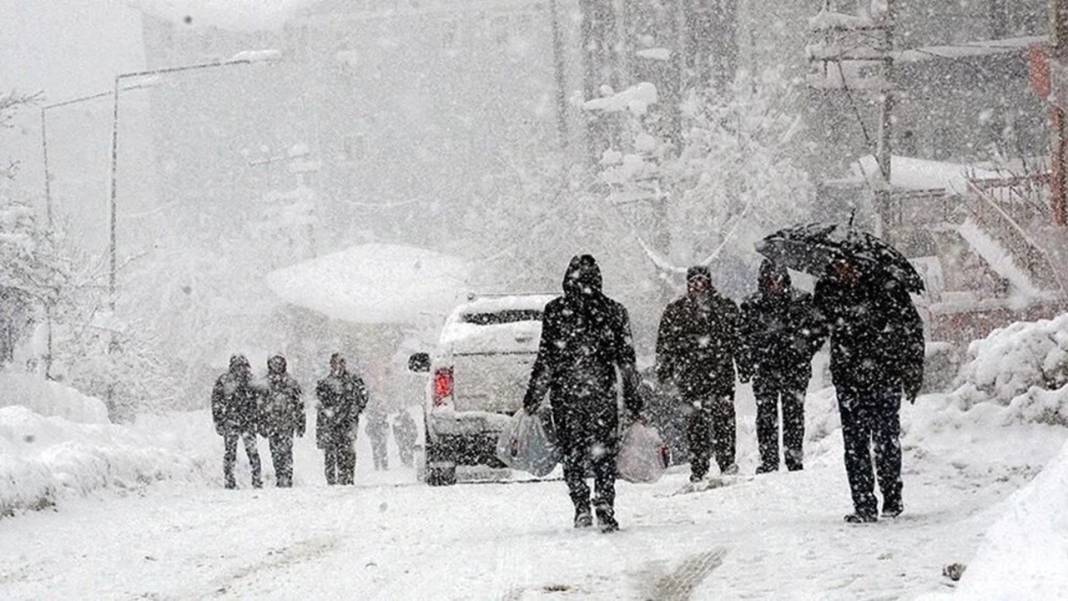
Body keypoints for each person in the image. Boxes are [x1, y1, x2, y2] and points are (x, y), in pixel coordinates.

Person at [523, 254, 642, 532]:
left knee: (572, 452)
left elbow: (546, 359)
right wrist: (635, 401)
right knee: (604, 454)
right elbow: (626, 361)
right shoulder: (614, 311)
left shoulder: (555, 311)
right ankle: (604, 503)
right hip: (602, 393)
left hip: (567, 395)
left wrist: (533, 397)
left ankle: (580, 506)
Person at [814, 256, 924, 523]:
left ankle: (892, 498)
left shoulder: (885, 286)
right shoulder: (828, 290)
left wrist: (912, 369)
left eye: (849, 266)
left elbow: (910, 327)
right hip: (849, 378)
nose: (845, 271)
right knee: (855, 444)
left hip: (884, 375)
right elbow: (816, 328)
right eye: (839, 266)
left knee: (885, 439)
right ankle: (863, 503)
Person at [656, 265, 747, 483]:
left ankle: (727, 462)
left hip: (720, 372)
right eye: (694, 281)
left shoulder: (725, 307)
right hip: (690, 375)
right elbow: (665, 343)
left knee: (723, 418)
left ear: (709, 282)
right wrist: (664, 370)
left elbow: (739, 339)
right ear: (688, 283)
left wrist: (744, 365)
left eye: (701, 280)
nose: (698, 285)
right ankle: (699, 467)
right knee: (695, 422)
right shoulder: (676, 310)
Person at [741, 260, 824, 474]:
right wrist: (753, 356)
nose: (774, 284)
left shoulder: (802, 301)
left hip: (794, 368)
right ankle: (769, 460)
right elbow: (742, 336)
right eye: (770, 279)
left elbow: (819, 331)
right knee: (766, 415)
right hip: (765, 368)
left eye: (778, 279)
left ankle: (793, 458)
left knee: (793, 414)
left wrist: (804, 350)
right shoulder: (751, 305)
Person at [315, 353, 369, 485]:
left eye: (341, 363)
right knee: (330, 452)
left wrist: (356, 409)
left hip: (348, 422)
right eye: (335, 363)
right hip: (331, 423)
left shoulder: (354, 380)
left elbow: (363, 395)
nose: (338, 366)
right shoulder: (325, 383)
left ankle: (347, 478)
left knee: (347, 451)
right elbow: (321, 403)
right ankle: (332, 480)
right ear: (331, 365)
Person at [211, 354, 262, 489]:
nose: (240, 368)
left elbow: (259, 402)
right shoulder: (225, 380)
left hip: (246, 421)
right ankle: (230, 480)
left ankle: (256, 479)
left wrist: (258, 418)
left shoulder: (250, 381)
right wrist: (218, 421)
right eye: (237, 365)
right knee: (231, 452)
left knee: (251, 452)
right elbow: (216, 402)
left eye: (242, 365)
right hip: (232, 421)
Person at [258, 355, 305, 487]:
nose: (277, 366)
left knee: (287, 451)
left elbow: (299, 404)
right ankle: (279, 476)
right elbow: (259, 405)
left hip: (287, 423)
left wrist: (301, 423)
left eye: (279, 363)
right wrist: (261, 423)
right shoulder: (264, 383)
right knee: (275, 452)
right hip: (271, 423)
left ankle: (287, 477)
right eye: (274, 363)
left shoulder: (291, 383)